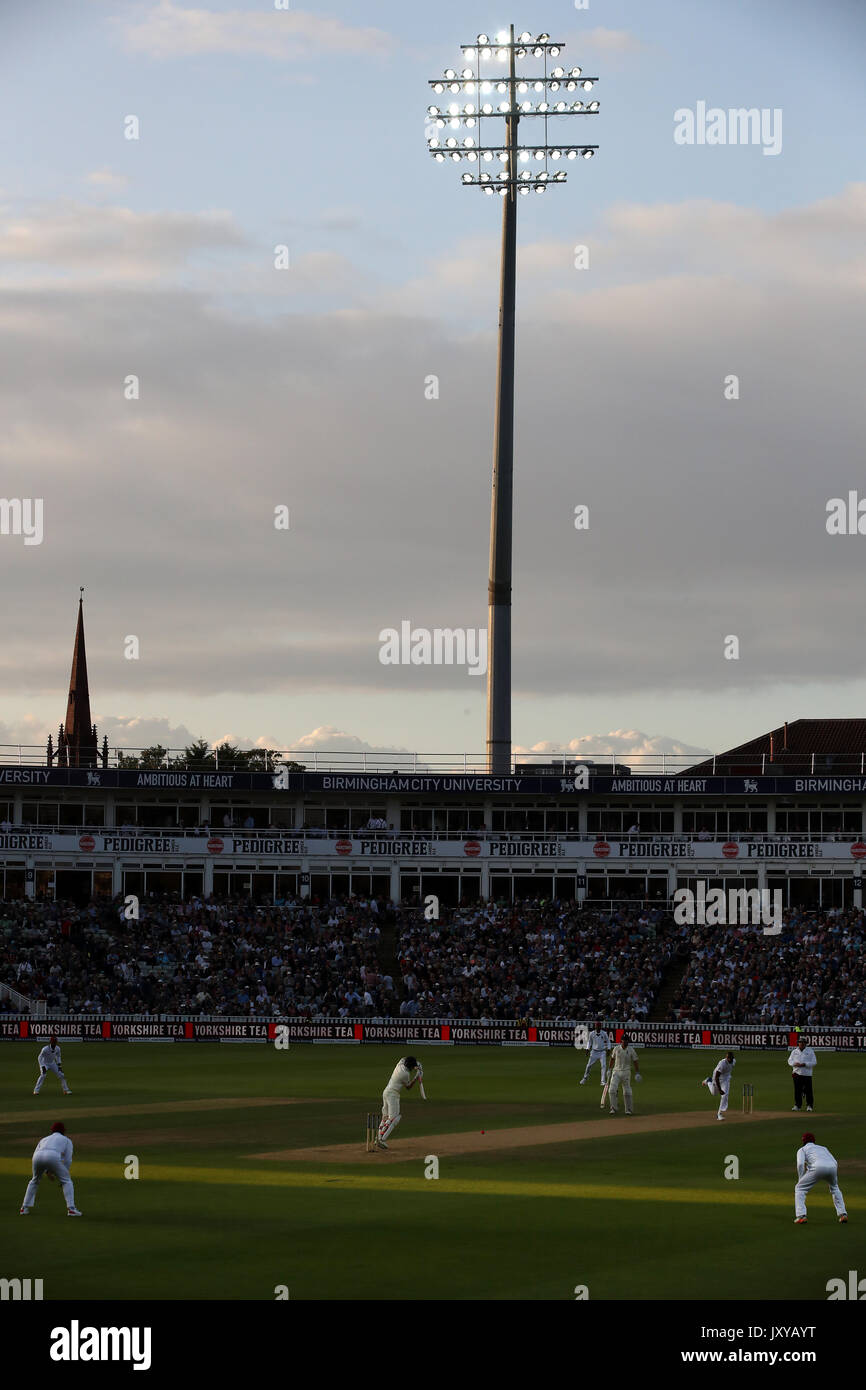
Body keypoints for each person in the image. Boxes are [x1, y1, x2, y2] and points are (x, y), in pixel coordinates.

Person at [20, 1121, 82, 1216]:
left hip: (37, 1156)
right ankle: (71, 1209)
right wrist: (63, 1175)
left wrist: (48, 1171)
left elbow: (40, 1156)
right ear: (63, 1131)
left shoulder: (44, 1139)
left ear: (52, 1131)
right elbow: (67, 1159)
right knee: (67, 1181)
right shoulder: (66, 1140)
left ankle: (24, 1208)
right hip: (52, 1155)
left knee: (35, 1180)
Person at [794, 1132, 847, 1225]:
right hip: (832, 1167)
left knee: (799, 1188)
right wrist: (832, 1172)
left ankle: (801, 1216)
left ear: (803, 1141)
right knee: (835, 1188)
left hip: (817, 1167)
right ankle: (843, 1214)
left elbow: (800, 1164)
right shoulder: (823, 1148)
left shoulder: (802, 1149)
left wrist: (801, 1179)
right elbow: (834, 1161)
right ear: (814, 1141)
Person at [376, 1055, 422, 1150]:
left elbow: (405, 1058)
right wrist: (416, 1077)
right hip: (393, 1095)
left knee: (385, 1117)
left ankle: (378, 1137)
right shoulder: (405, 1074)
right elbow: (408, 1087)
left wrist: (417, 1065)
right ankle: (381, 1139)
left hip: (386, 1092)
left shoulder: (400, 1063)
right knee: (395, 1118)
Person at [607, 1033, 642, 1116]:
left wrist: (637, 1073)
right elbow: (612, 1059)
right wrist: (609, 1069)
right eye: (624, 1040)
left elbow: (635, 1061)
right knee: (612, 1090)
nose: (626, 1042)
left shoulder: (631, 1050)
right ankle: (613, 1107)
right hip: (616, 1071)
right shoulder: (616, 1049)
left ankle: (628, 1109)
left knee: (627, 1091)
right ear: (621, 1041)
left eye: (627, 1041)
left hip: (626, 1072)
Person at [701, 1050, 735, 1120]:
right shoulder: (722, 1064)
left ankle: (719, 1114)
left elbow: (728, 1070)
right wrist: (719, 1089)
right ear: (727, 1058)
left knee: (725, 1095)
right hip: (717, 1078)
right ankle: (708, 1081)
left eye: (731, 1058)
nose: (729, 1059)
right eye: (728, 1058)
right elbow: (717, 1077)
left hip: (726, 1080)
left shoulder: (734, 1061)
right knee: (714, 1093)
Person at [788, 1035, 817, 1112]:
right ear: (798, 1043)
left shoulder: (810, 1051)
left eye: (803, 1042)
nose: (801, 1044)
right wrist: (795, 1063)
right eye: (800, 1042)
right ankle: (797, 1105)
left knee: (808, 1091)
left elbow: (814, 1062)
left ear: (805, 1043)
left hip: (807, 1074)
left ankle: (809, 1106)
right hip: (796, 1073)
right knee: (797, 1090)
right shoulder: (794, 1051)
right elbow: (789, 1061)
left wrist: (805, 1064)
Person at [579, 1019, 611, 1086]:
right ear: (595, 1027)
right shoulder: (592, 1033)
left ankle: (602, 1081)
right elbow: (589, 1042)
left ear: (600, 1027)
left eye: (598, 1026)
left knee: (604, 1066)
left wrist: (608, 1049)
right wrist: (587, 1049)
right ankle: (585, 1078)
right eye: (596, 1026)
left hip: (602, 1052)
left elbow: (608, 1042)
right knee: (588, 1066)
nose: (597, 1027)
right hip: (594, 1052)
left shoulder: (604, 1033)